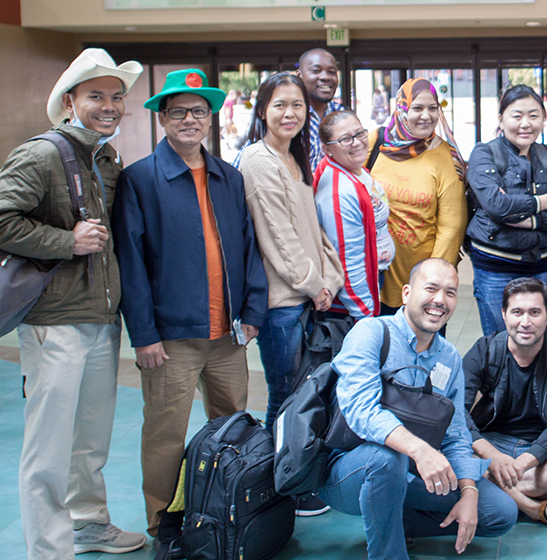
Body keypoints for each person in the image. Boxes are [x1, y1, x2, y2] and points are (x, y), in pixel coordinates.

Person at [0, 48, 147, 558]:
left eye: (116, 97)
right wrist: (64, 242)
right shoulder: (43, 154)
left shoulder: (105, 158)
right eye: (96, 96)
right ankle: (49, 550)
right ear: (70, 101)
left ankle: (88, 524)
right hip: (55, 323)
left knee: (90, 440)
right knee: (47, 449)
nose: (109, 106)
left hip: (99, 318)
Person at [113, 68, 268, 543]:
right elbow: (131, 263)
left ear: (210, 118)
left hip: (227, 337)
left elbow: (249, 246)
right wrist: (144, 335)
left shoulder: (228, 176)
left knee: (232, 432)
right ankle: (163, 526)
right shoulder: (139, 180)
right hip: (171, 340)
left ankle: (221, 512)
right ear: (162, 117)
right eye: (177, 111)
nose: (188, 119)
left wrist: (253, 313)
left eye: (198, 111)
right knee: (165, 436)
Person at [323, 258, 517, 558]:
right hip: (348, 469)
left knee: (499, 511)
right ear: (406, 293)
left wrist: (468, 491)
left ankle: (389, 515)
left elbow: (456, 435)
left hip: (410, 473)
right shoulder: (371, 333)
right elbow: (361, 410)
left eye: (451, 292)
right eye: (431, 288)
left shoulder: (449, 358)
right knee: (388, 459)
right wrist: (420, 450)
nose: (440, 300)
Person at [238, 72, 342, 462]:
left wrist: (328, 279)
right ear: (263, 109)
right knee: (283, 393)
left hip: (307, 296)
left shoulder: (293, 157)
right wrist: (313, 284)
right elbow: (279, 237)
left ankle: (293, 473)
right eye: (280, 104)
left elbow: (312, 230)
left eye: (297, 104)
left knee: (302, 391)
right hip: (282, 303)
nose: (290, 113)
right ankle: (276, 480)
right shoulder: (259, 160)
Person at [463, 278, 547, 534]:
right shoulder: (485, 350)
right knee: (453, 456)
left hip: (544, 448)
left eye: (535, 312)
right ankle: (535, 508)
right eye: (517, 312)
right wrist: (492, 454)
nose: (525, 322)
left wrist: (524, 462)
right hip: (493, 443)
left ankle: (488, 493)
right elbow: (455, 410)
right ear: (503, 314)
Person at [466, 85, 547, 335]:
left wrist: (528, 221)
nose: (525, 123)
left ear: (544, 120)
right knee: (498, 340)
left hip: (540, 265)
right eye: (516, 116)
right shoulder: (485, 153)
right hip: (494, 264)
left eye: (534, 116)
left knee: (536, 338)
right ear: (501, 119)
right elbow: (497, 206)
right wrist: (543, 201)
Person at [366, 78, 468, 316]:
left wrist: (430, 285)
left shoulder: (446, 158)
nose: (427, 115)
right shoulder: (375, 143)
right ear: (402, 109)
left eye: (433, 108)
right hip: (372, 276)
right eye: (418, 108)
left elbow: (451, 229)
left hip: (420, 281)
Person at [314, 109, 394, 321]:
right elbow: (347, 265)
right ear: (326, 149)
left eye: (360, 133)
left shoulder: (355, 169)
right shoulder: (339, 193)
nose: (357, 142)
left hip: (372, 281)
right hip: (351, 305)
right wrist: (365, 318)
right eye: (345, 139)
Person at [233, 48, 344, 170]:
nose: (325, 77)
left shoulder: (343, 116)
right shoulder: (284, 121)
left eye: (332, 72)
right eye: (316, 71)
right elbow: (240, 168)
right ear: (299, 76)